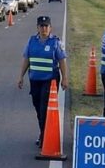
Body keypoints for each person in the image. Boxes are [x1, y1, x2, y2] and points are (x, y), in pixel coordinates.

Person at [17, 16, 68, 147]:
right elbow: (26, 60)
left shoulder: (55, 42)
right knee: (38, 107)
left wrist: (64, 78)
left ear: (50, 28)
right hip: (35, 80)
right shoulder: (31, 41)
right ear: (37, 27)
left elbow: (62, 61)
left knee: (44, 108)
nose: (44, 28)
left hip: (50, 81)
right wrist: (21, 76)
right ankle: (43, 133)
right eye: (41, 26)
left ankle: (44, 136)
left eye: (46, 26)